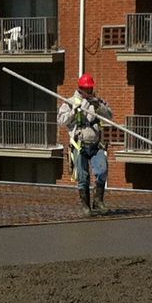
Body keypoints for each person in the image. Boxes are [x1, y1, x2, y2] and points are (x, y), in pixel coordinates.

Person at [57, 73, 113, 213]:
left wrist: (99, 107)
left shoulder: (97, 102)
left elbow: (109, 116)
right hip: (80, 144)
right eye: (86, 89)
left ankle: (98, 201)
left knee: (102, 170)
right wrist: (73, 112)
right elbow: (61, 121)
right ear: (80, 88)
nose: (89, 91)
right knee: (83, 176)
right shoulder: (70, 102)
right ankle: (85, 205)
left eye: (90, 88)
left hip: (96, 144)